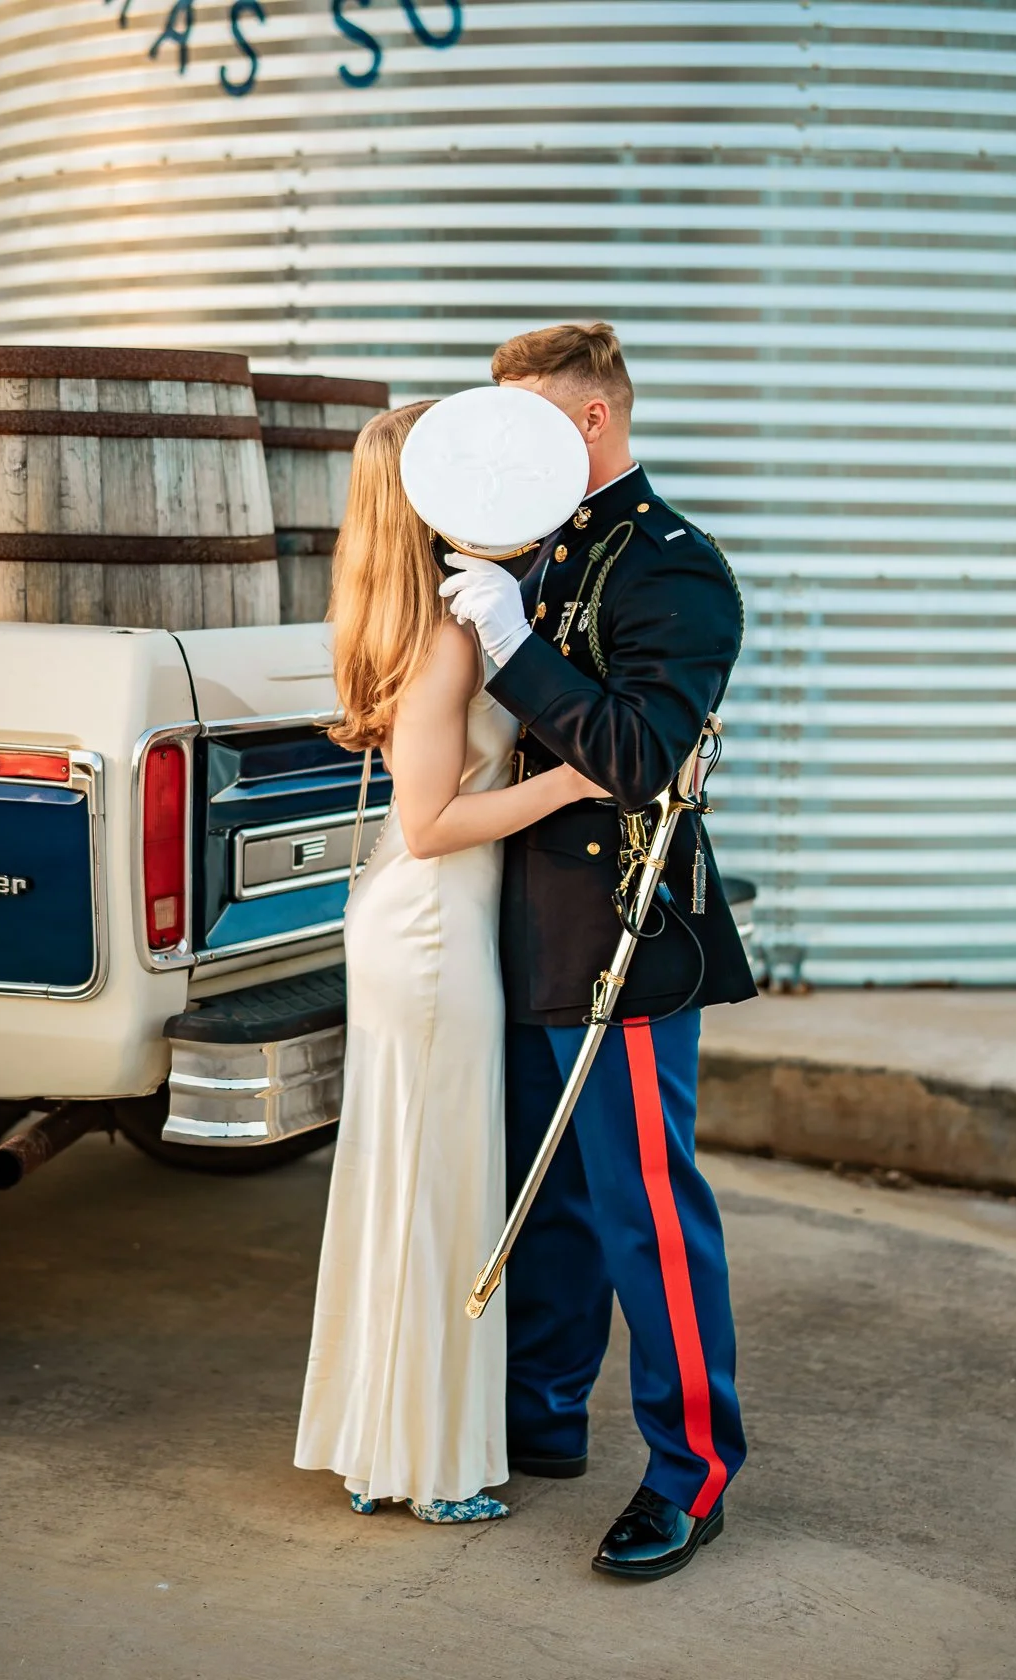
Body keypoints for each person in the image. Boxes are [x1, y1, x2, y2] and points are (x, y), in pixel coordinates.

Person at [439, 322, 757, 1580]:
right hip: (515, 919)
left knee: (645, 1214)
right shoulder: (534, 546)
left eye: (526, 422)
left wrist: (514, 649)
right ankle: (545, 1412)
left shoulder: (675, 567)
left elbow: (633, 757)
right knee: (546, 1191)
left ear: (589, 419)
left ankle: (692, 1472)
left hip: (621, 929)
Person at [294, 402, 602, 1523]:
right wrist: (575, 780)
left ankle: (382, 1443)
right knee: (434, 1192)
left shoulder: (422, 614)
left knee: (410, 1186)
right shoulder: (446, 635)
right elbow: (429, 824)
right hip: (429, 930)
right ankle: (422, 1467)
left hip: (424, 922)